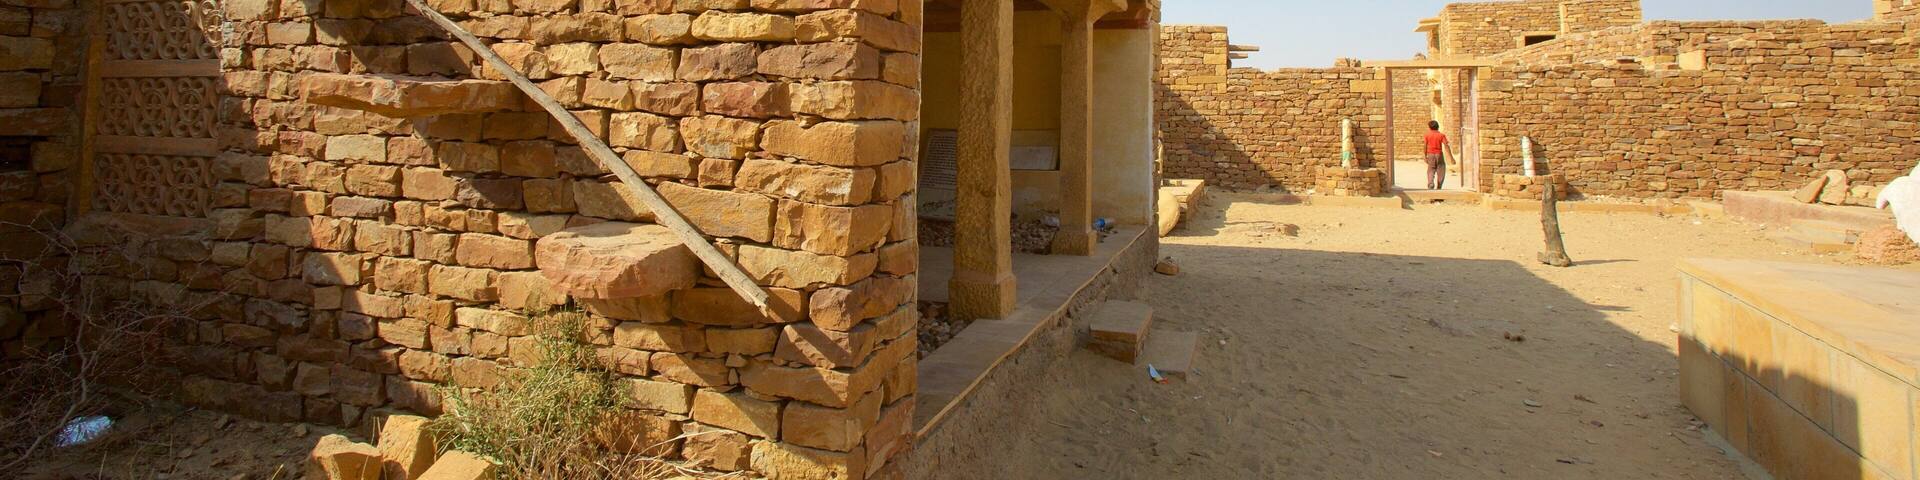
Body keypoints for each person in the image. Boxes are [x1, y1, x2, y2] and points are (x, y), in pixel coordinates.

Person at [1422, 120, 1453, 190]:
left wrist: (1425, 155)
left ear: (1429, 128)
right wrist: (1451, 157)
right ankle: (1439, 186)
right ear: (1438, 127)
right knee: (1441, 169)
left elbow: (1425, 145)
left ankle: (1430, 182)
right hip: (1439, 154)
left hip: (1430, 154)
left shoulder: (1427, 135)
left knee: (1431, 169)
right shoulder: (1441, 135)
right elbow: (1446, 145)